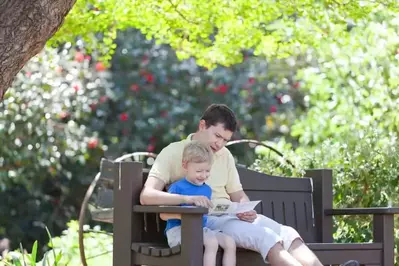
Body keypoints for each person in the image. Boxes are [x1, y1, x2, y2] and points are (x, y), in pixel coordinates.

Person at [140, 104, 360, 266]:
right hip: (205, 221)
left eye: (225, 139)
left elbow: (238, 194)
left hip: (230, 216)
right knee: (266, 238)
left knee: (287, 232)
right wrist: (187, 200)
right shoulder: (173, 152)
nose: (219, 144)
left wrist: (245, 209)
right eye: (217, 135)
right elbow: (147, 195)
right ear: (202, 125)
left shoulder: (224, 155)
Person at [160, 140, 236, 266]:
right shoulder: (177, 188)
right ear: (185, 166)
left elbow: (206, 213)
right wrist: (186, 217)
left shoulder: (207, 189)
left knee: (230, 242)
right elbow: (163, 214)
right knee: (211, 242)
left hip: (201, 229)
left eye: (207, 171)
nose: (203, 175)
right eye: (199, 171)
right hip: (178, 231)